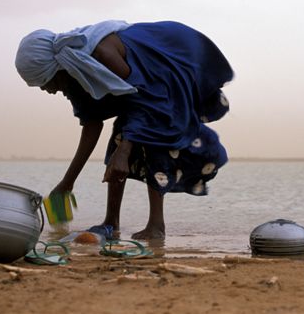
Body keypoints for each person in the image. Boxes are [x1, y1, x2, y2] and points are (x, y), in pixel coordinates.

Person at [15, 20, 234, 240]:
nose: (46, 90)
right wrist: (67, 183)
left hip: (169, 62)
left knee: (152, 137)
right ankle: (111, 223)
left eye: (44, 82)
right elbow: (92, 125)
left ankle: (156, 226)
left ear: (56, 69)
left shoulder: (102, 55)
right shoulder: (74, 74)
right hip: (142, 88)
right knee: (121, 142)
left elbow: (146, 98)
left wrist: (125, 151)